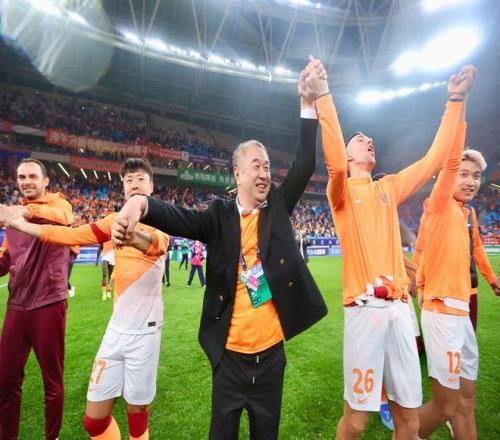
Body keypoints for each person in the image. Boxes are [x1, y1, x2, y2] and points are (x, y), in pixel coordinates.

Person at [112, 64, 328, 440]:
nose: (264, 173)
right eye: (256, 166)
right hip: (228, 360)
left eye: (267, 166)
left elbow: (306, 164)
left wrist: (308, 104)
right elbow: (177, 217)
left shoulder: (278, 207)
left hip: (271, 358)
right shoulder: (217, 216)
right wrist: (140, 203)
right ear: (238, 174)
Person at [314, 56, 476, 440]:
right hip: (364, 309)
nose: (369, 141)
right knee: (356, 421)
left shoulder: (388, 187)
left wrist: (455, 100)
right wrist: (323, 96)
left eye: (370, 139)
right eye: (360, 140)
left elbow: (435, 159)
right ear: (348, 155)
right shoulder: (340, 193)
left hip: (402, 310)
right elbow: (334, 165)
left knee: (408, 418)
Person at [7, 158, 169, 440]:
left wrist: (130, 236)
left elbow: (155, 245)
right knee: (93, 422)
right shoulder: (112, 221)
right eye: (129, 180)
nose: (134, 184)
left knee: (137, 416)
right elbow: (70, 235)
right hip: (115, 331)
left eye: (140, 179)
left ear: (151, 186)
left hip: (145, 333)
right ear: (123, 187)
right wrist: (20, 224)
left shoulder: (161, 222)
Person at [414, 141, 499, 439]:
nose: (471, 181)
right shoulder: (438, 204)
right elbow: (421, 249)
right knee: (445, 406)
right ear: (447, 176)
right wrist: (419, 284)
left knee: (466, 402)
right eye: (463, 174)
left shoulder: (468, 214)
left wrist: (492, 279)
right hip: (441, 311)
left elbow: (476, 249)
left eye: (476, 176)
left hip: (461, 311)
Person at [0, 158, 73, 440]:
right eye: (22, 177)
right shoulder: (13, 219)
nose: (27, 181)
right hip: (17, 304)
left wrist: (21, 211)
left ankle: (51, 437)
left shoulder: (59, 204)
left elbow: (63, 219)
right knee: (5, 380)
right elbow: (6, 261)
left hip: (48, 303)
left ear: (45, 181)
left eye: (32, 176)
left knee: (51, 381)